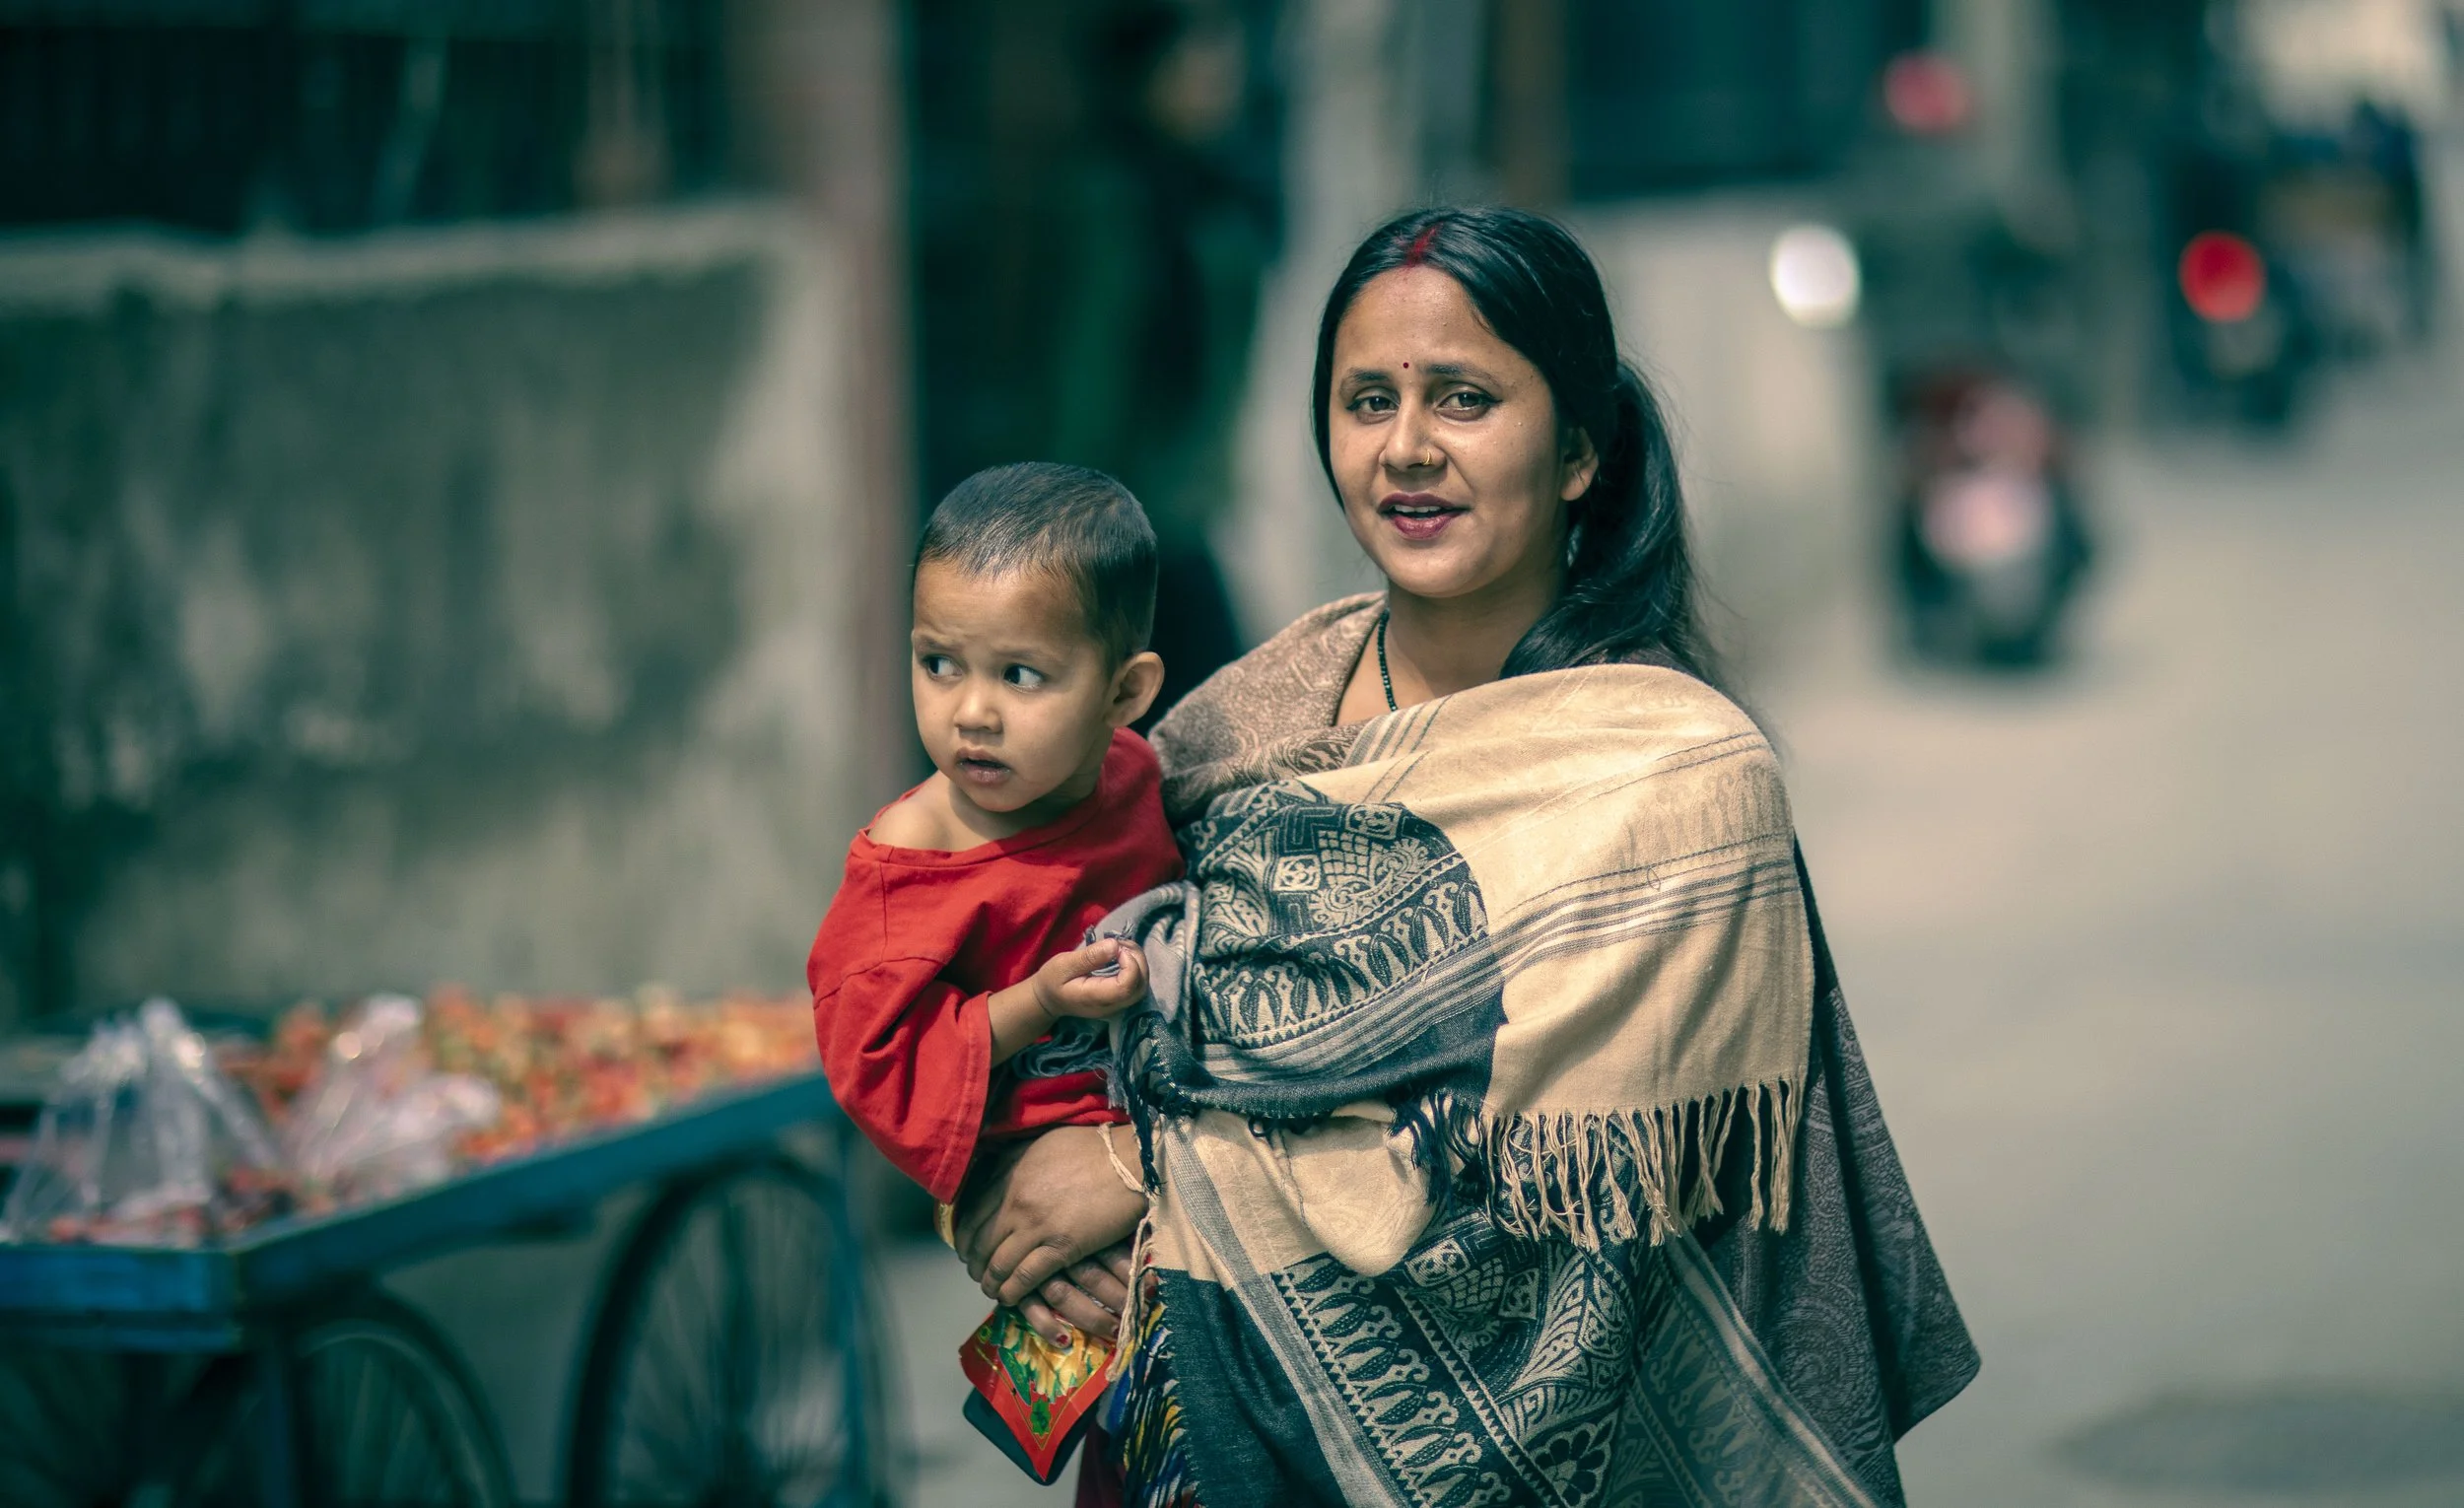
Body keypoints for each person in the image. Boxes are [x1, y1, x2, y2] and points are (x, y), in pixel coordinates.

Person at [955, 209, 1979, 1508]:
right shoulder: (1233, 728)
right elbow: (1059, 990)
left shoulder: (1677, 788)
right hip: (1189, 1437)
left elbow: (1514, 1207)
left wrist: (1143, 1174)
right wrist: (1015, 1173)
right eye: (1366, 398)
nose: (1408, 448)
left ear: (1578, 451)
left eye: (1465, 398)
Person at [806, 462, 1179, 1477]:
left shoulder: (1140, 779)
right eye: (938, 664)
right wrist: (1031, 1003)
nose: (970, 711)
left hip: (1177, 1155)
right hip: (1048, 1193)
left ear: (1125, 694)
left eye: (1020, 676)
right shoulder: (910, 871)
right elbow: (870, 1063)